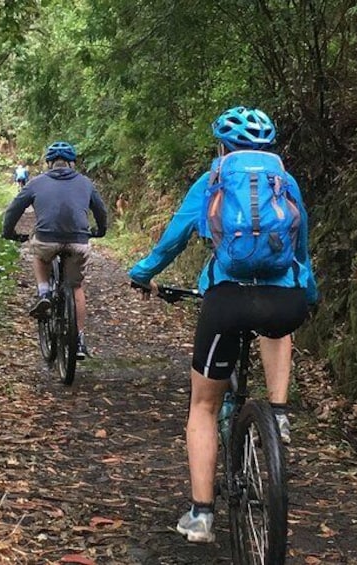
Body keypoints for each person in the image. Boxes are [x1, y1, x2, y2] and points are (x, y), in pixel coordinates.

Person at [127, 106, 318, 543]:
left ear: (222, 146)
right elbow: (300, 248)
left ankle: (201, 515)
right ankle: (280, 412)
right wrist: (307, 294)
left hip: (227, 301)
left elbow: (173, 238)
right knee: (277, 324)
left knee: (204, 406)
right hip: (284, 301)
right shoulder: (283, 182)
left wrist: (142, 274)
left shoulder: (213, 180)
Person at [2, 141, 108, 359]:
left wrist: (9, 233)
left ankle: (43, 293)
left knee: (40, 257)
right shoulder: (86, 182)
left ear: (49, 163)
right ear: (71, 163)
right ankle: (79, 340)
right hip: (78, 240)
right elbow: (101, 210)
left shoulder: (36, 182)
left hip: (47, 239)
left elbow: (14, 209)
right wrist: (100, 231)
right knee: (76, 286)